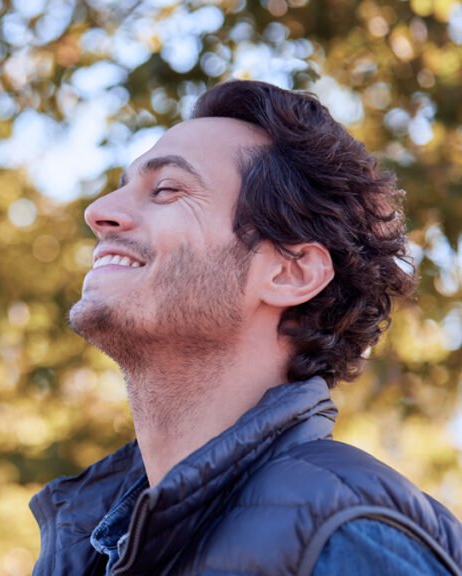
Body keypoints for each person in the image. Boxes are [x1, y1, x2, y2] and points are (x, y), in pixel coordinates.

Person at [30, 80, 462, 575]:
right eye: (124, 185)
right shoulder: (88, 549)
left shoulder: (348, 536)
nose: (99, 211)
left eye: (167, 189)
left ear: (289, 272)